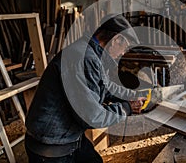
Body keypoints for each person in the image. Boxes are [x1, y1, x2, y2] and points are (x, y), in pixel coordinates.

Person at [24, 14, 147, 163]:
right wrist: (126, 108)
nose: (122, 53)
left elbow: (107, 86)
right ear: (115, 40)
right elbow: (91, 117)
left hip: (67, 136)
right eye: (124, 48)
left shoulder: (91, 52)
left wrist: (132, 95)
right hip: (51, 144)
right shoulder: (83, 58)